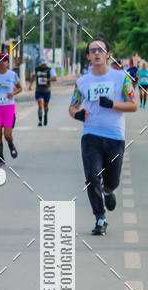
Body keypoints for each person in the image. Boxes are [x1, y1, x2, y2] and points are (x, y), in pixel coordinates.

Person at [69, 37, 137, 235]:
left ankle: (108, 191)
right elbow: (72, 107)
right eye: (93, 50)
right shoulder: (82, 82)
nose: (97, 53)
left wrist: (113, 104)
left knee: (112, 179)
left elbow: (133, 105)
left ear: (108, 54)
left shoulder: (121, 78)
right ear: (89, 56)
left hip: (114, 136)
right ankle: (100, 218)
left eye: (101, 49)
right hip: (91, 135)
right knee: (92, 176)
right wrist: (77, 114)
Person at [28, 57, 56, 126]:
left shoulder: (49, 69)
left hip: (47, 90)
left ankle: (45, 115)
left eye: (44, 64)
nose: (43, 65)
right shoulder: (37, 69)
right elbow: (33, 77)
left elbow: (55, 78)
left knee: (46, 106)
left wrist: (47, 80)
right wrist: (30, 85)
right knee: (40, 104)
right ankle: (40, 121)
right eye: (41, 64)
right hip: (39, 90)